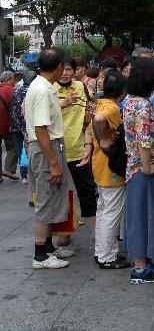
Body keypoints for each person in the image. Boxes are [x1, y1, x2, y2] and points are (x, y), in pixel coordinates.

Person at [25, 48, 76, 269]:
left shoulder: (42, 86)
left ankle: (48, 248)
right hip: (46, 148)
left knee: (51, 196)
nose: (64, 72)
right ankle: (40, 255)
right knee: (45, 199)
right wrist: (53, 162)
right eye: (63, 68)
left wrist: (64, 103)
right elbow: (41, 129)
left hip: (48, 146)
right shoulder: (43, 90)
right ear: (57, 68)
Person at [123, 57, 154, 284]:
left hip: (137, 167)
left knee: (140, 214)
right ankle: (140, 268)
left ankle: (142, 261)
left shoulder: (132, 100)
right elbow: (144, 139)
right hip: (144, 168)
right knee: (144, 215)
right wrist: (146, 166)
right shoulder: (142, 105)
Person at [92, 70, 131, 269]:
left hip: (100, 164)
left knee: (103, 210)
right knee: (111, 212)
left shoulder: (101, 102)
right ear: (122, 91)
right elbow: (99, 119)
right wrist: (104, 139)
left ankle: (101, 252)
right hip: (111, 167)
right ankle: (108, 257)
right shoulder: (112, 108)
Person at [55, 58, 97, 227]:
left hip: (80, 149)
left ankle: (97, 236)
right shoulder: (50, 90)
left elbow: (92, 110)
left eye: (68, 69)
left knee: (87, 192)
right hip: (58, 150)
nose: (65, 73)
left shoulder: (81, 87)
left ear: (75, 71)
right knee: (62, 195)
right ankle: (64, 235)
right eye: (62, 69)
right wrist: (63, 104)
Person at [11, 70, 36, 185]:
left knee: (21, 151)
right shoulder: (32, 91)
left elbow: (13, 111)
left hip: (16, 127)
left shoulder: (16, 91)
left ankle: (24, 175)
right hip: (28, 128)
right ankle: (31, 174)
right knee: (30, 151)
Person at [0, 71, 19, 181]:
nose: (14, 82)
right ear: (8, 80)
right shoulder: (12, 90)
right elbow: (15, 109)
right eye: (13, 80)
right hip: (7, 125)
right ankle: (8, 169)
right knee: (13, 146)